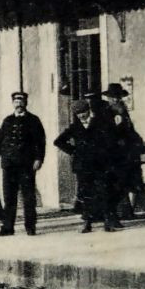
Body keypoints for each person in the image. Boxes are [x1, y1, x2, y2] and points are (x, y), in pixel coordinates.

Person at [54, 98, 118, 233]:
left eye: (83, 112)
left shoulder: (101, 124)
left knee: (104, 192)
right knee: (86, 194)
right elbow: (58, 141)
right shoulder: (75, 127)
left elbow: (111, 142)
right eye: (78, 114)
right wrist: (74, 151)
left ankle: (108, 223)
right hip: (83, 166)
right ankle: (87, 223)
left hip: (100, 165)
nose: (82, 115)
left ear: (89, 110)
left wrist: (105, 154)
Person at [0, 91, 45, 237]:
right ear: (13, 103)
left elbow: (40, 142)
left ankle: (30, 226)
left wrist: (38, 159)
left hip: (26, 164)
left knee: (28, 196)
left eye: (21, 101)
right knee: (9, 197)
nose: (18, 104)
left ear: (25, 103)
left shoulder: (34, 120)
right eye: (16, 101)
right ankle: (8, 227)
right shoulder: (7, 120)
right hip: (9, 164)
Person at [100, 83, 145, 221]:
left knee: (127, 180)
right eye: (112, 97)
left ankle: (126, 211)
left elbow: (130, 130)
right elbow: (107, 132)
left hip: (126, 152)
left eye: (117, 97)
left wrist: (139, 142)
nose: (115, 100)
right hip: (114, 152)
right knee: (117, 181)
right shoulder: (106, 113)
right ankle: (118, 211)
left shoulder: (123, 111)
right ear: (108, 98)